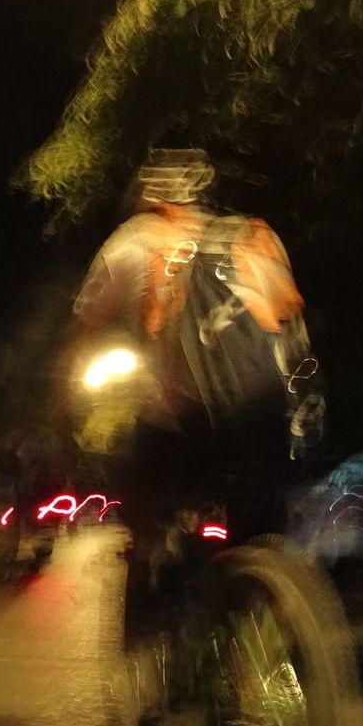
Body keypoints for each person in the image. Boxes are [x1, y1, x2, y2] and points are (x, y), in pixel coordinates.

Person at [65, 148, 318, 638]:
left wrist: (66, 405)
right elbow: (290, 325)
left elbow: (83, 328)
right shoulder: (254, 237)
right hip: (267, 415)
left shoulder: (136, 240)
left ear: (148, 197)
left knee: (142, 508)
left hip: (183, 426)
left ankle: (145, 629)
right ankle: (281, 611)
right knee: (265, 533)